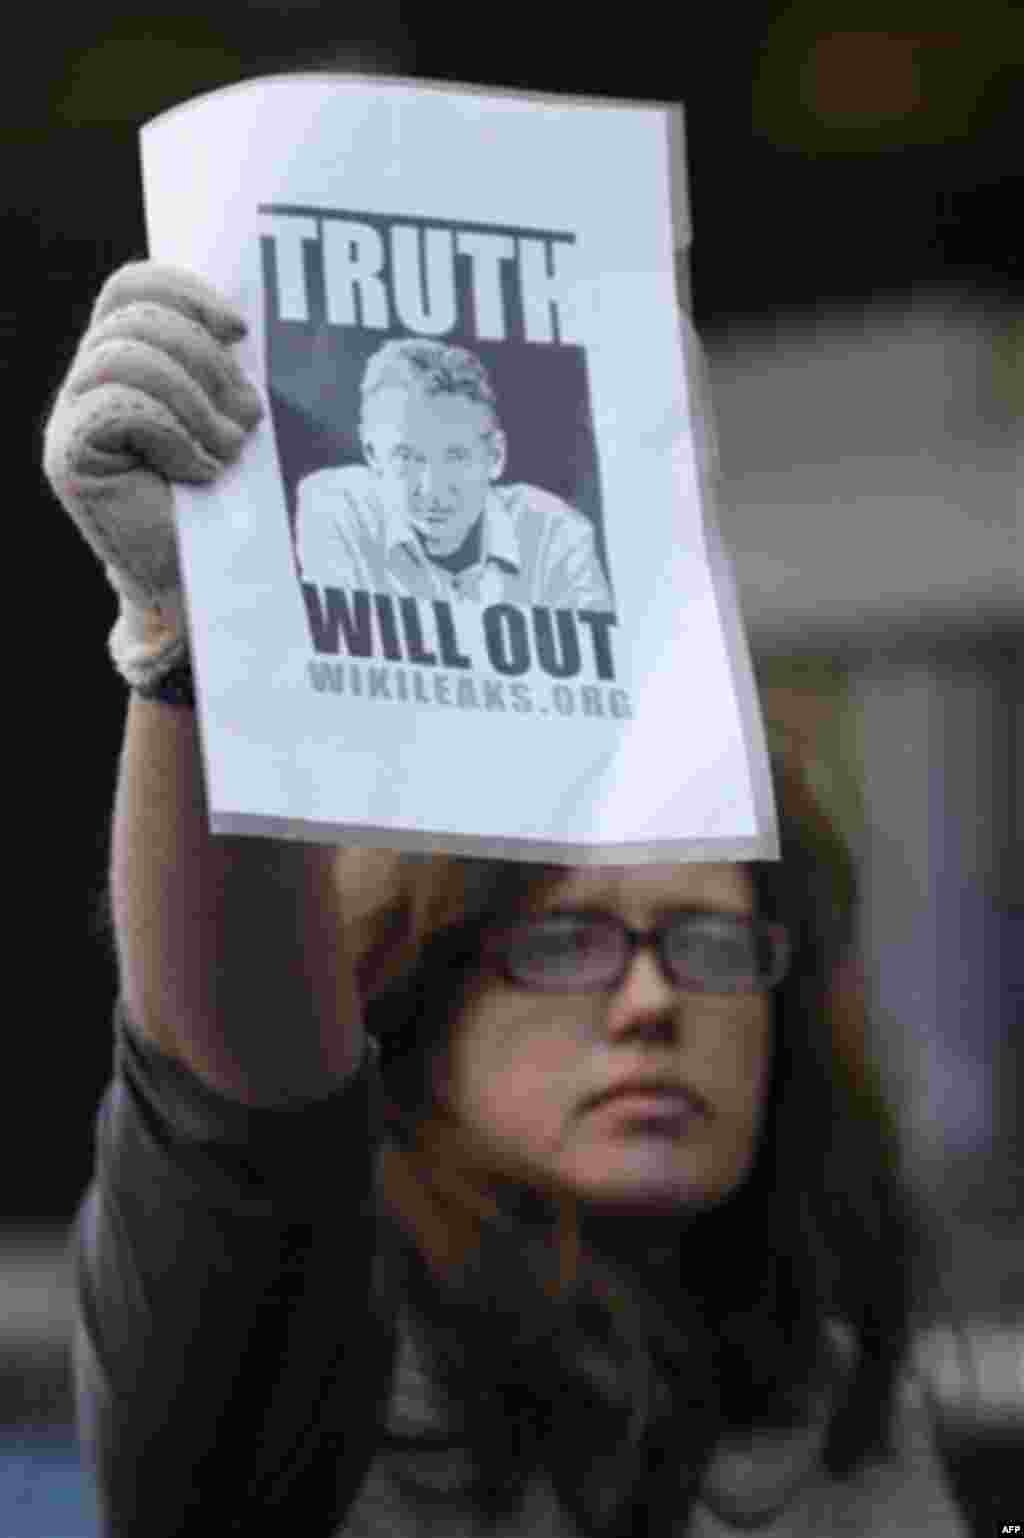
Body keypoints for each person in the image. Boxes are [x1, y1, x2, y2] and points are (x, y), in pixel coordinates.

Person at [43, 263, 966, 1537]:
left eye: (706, 941)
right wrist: (197, 643)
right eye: (566, 941)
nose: (650, 1000)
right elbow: (236, 1111)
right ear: (414, 997)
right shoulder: (312, 1381)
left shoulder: (831, 1391)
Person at [295, 336, 614, 608]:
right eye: (406, 456)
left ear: (495, 455)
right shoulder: (333, 507)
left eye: (456, 456)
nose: (433, 490)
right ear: (372, 455)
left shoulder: (559, 536)